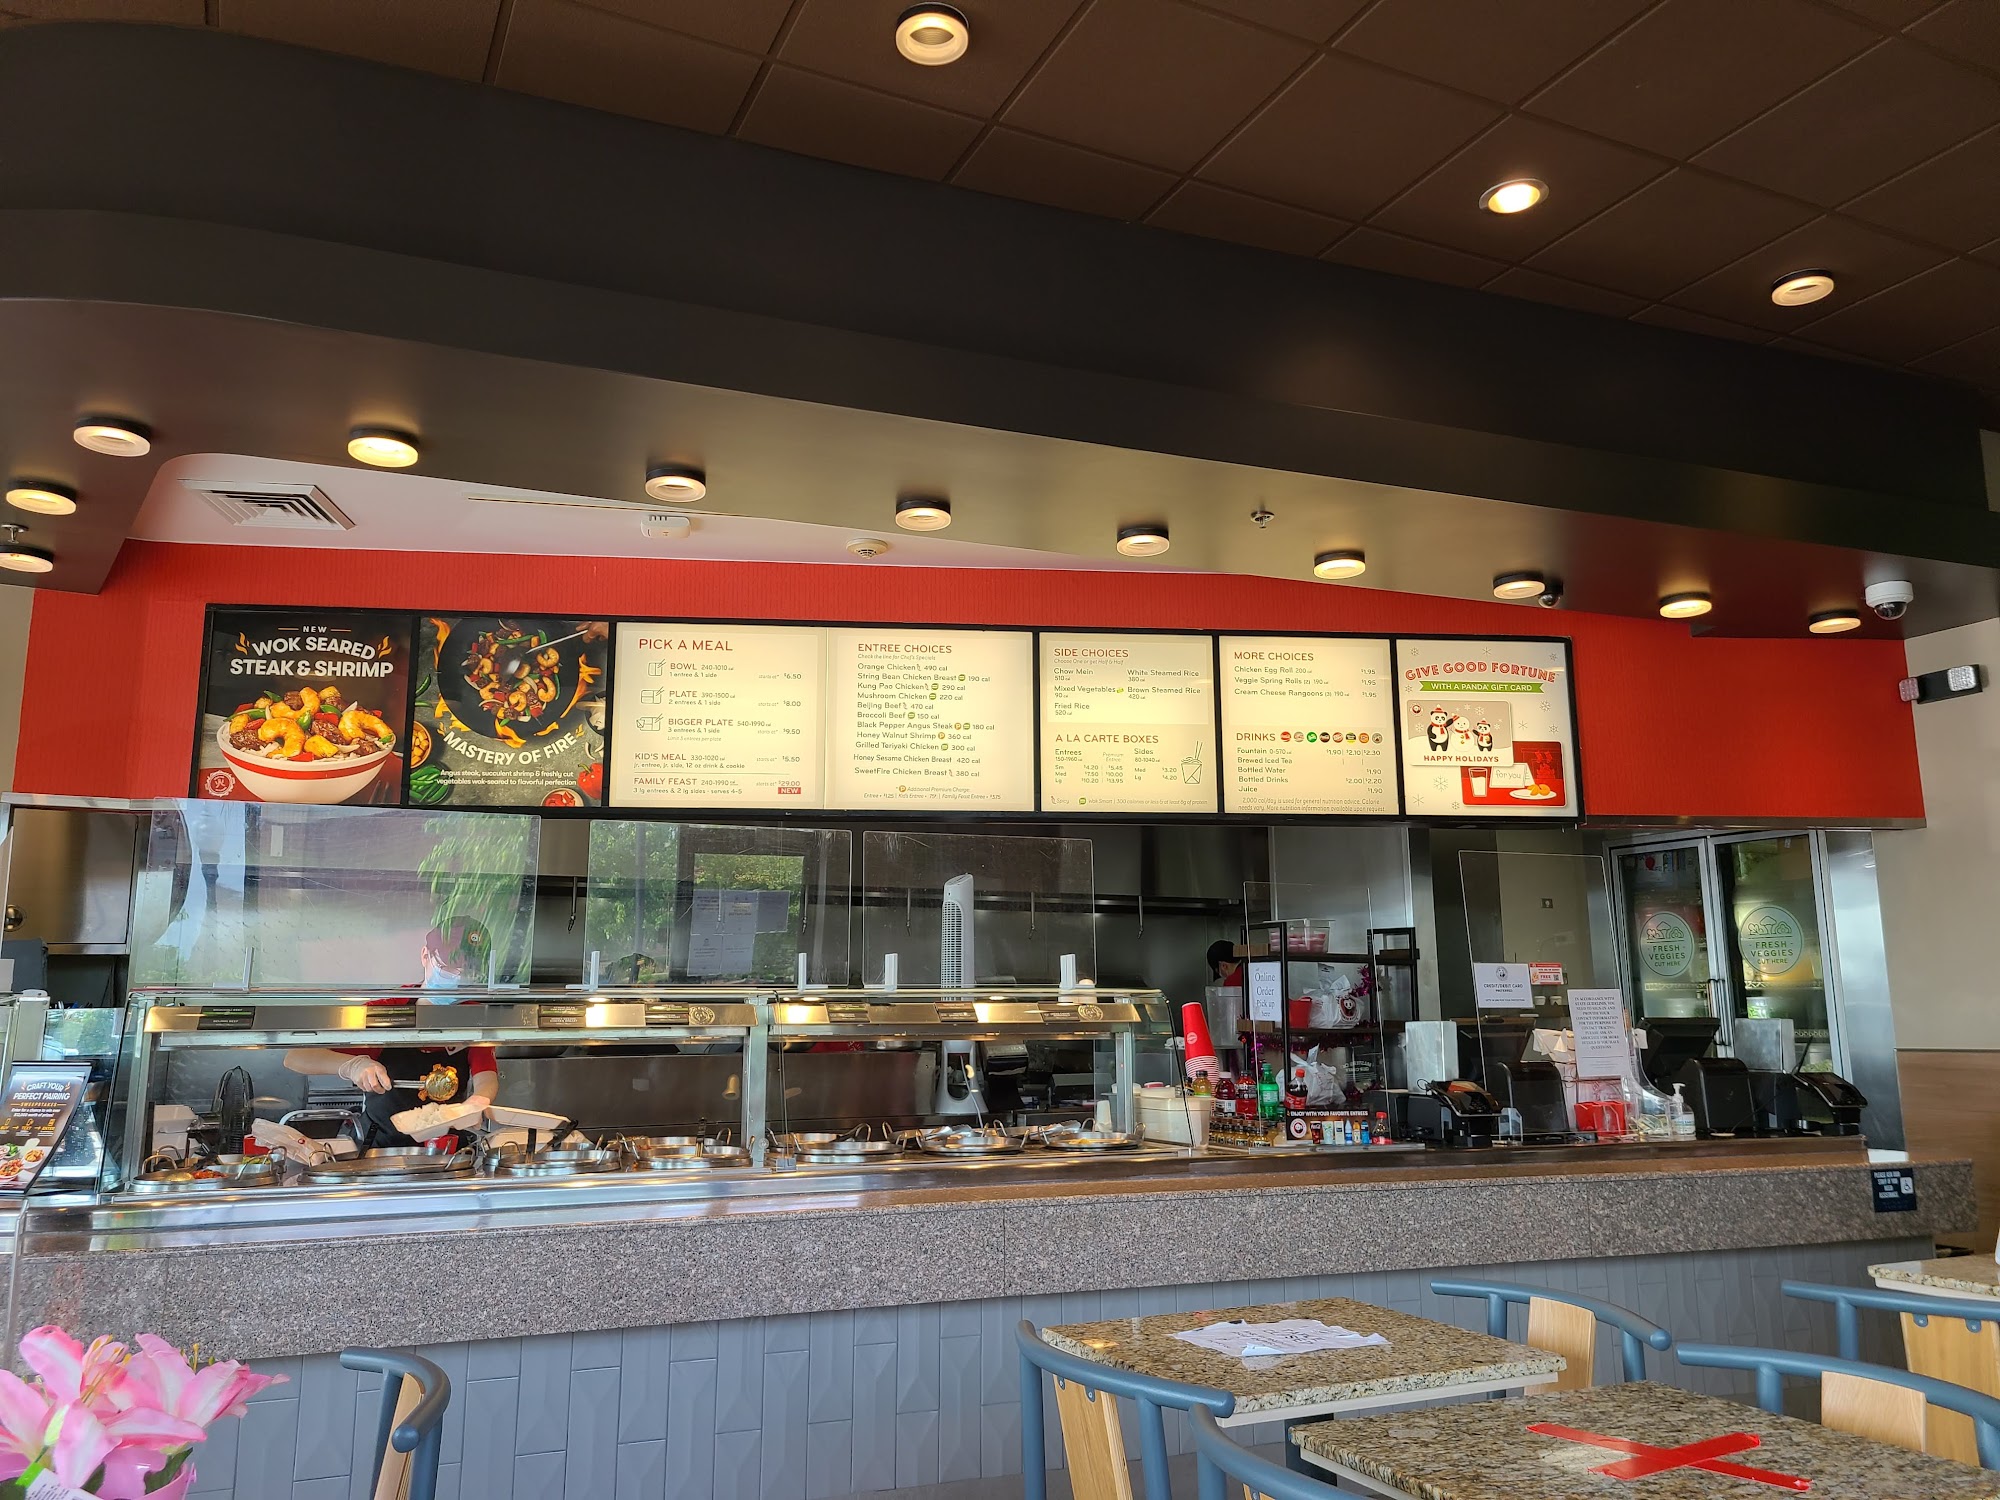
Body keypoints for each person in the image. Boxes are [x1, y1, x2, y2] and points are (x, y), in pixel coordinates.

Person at [283, 919, 501, 1148]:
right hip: (383, 1148)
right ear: (425, 956)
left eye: (468, 970)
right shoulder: (388, 1010)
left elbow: (486, 1076)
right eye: (448, 966)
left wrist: (479, 1100)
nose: (457, 976)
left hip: (446, 1147)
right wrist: (353, 1066)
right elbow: (296, 1056)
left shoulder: (472, 1015)